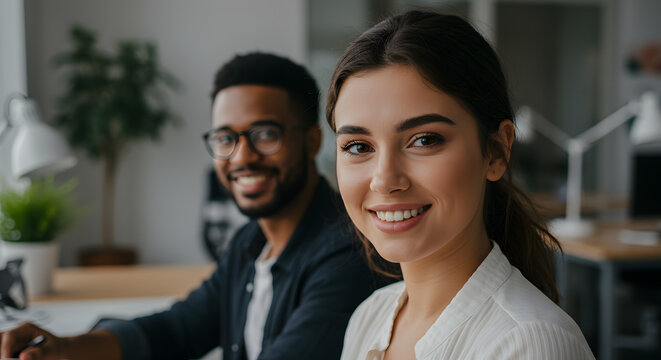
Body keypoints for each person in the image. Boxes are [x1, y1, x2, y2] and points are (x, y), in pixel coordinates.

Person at [0, 52, 382, 360]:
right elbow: (176, 329)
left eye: (266, 134)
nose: (242, 157)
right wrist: (65, 348)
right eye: (225, 138)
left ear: (313, 141)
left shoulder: (349, 255)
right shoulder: (252, 242)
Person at [325, 11, 595, 359]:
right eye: (358, 147)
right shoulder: (369, 317)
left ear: (497, 151)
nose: (384, 180)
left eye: (424, 140)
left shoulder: (530, 343)